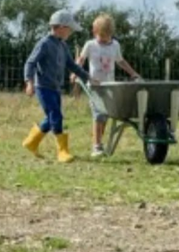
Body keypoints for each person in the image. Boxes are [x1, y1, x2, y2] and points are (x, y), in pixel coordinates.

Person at [22, 9, 100, 163]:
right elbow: (30, 63)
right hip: (43, 87)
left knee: (51, 117)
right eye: (69, 29)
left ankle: (31, 142)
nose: (70, 32)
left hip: (56, 88)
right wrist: (29, 82)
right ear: (61, 27)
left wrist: (88, 78)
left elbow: (72, 65)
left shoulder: (63, 46)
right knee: (56, 116)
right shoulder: (44, 43)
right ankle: (62, 151)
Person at [74, 14, 141, 157]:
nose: (102, 38)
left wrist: (133, 73)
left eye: (105, 36)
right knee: (98, 114)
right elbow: (81, 59)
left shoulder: (115, 45)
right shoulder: (90, 44)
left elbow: (121, 61)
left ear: (111, 34)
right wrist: (75, 73)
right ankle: (96, 146)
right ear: (94, 32)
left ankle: (98, 141)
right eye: (99, 35)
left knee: (105, 116)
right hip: (95, 86)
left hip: (109, 86)